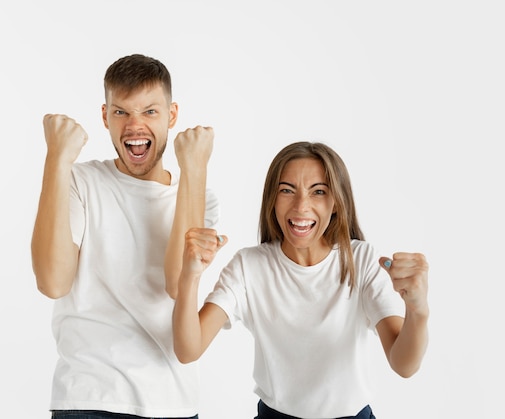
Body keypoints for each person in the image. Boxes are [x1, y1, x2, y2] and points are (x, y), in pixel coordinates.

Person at [173, 141, 429, 419]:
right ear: (272, 198)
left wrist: (418, 310)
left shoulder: (360, 260)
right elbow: (189, 349)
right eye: (287, 190)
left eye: (318, 192)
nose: (301, 206)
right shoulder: (250, 266)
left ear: (336, 203)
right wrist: (190, 276)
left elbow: (404, 365)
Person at [31, 54, 219, 419]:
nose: (135, 126)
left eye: (150, 111)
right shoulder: (80, 181)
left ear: (172, 115)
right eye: (121, 113)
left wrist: (194, 167)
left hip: (173, 404)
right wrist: (56, 158)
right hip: (89, 399)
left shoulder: (199, 195)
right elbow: (52, 282)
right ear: (105, 116)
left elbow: (176, 284)